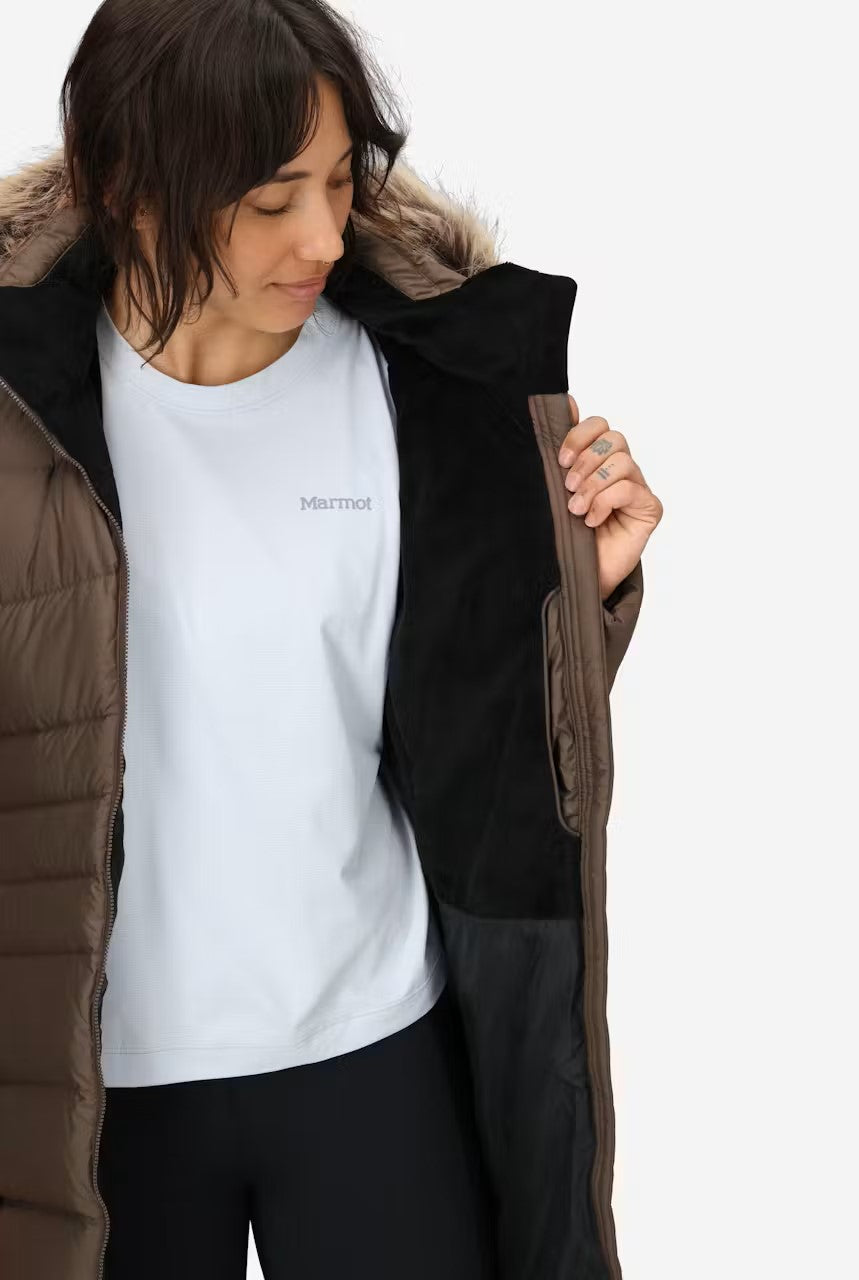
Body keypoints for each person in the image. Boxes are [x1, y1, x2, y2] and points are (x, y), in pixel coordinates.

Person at [0, 1, 662, 1278]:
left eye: (340, 181)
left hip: (372, 1040)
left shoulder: (427, 388)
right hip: (98, 1084)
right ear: (128, 185)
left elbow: (484, 739)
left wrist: (573, 601)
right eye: (269, 199)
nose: (322, 236)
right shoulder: (22, 413)